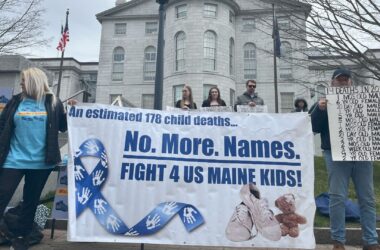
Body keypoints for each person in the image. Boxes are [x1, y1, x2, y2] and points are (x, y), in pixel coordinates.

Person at [309, 68, 379, 250]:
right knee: (337, 198)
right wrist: (320, 109)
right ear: (332, 83)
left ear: (351, 83)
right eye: (339, 79)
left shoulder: (363, 99)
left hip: (362, 155)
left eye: (346, 80)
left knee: (367, 198)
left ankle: (370, 241)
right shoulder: (322, 103)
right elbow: (313, 127)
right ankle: (338, 241)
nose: (343, 82)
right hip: (335, 154)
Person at [0, 67, 68, 250]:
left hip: (41, 163)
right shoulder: (15, 102)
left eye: (23, 80)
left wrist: (73, 112)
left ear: (33, 82)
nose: (21, 83)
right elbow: (2, 125)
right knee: (2, 194)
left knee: (30, 201)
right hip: (13, 160)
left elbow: (63, 127)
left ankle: (21, 238)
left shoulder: (53, 102)